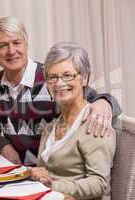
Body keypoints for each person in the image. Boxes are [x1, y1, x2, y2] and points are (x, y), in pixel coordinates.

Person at [0, 17, 121, 165]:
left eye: (17, 42)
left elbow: (92, 97)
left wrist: (104, 102)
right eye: (3, 45)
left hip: (54, 173)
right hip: (18, 173)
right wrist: (3, 145)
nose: (11, 51)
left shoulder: (51, 78)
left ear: (26, 44)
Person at [28, 41, 115, 199]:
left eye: (67, 75)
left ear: (85, 78)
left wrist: (53, 184)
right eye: (52, 77)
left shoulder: (96, 122)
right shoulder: (51, 126)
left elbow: (99, 183)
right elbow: (45, 173)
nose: (60, 83)